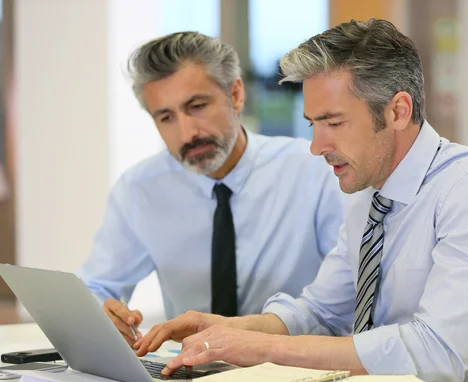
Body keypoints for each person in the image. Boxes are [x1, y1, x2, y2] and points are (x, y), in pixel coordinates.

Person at [134, 20, 468, 382]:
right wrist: (229, 329)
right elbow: (321, 312)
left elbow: (437, 354)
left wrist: (264, 348)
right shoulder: (366, 193)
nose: (317, 146)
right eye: (313, 124)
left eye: (333, 123)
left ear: (398, 111)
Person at [77, 32, 344, 347]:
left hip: (293, 364)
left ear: (236, 94)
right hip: (188, 372)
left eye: (197, 106)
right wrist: (104, 315)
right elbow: (97, 287)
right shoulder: (140, 189)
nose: (187, 133)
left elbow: (347, 293)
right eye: (166, 117)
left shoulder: (313, 172)